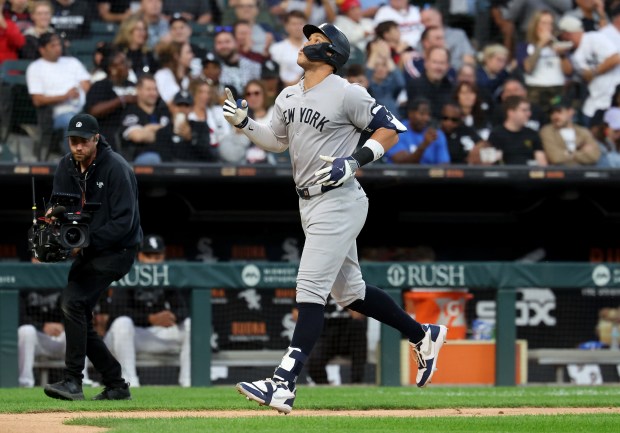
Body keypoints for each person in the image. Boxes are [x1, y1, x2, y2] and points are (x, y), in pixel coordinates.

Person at [223, 22, 447, 415]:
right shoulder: (289, 94)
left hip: (340, 199)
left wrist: (355, 160)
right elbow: (276, 140)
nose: (306, 43)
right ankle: (422, 334)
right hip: (308, 202)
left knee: (310, 287)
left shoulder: (347, 92)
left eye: (315, 40)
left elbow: (391, 129)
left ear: (331, 53)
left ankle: (283, 383)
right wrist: (245, 124)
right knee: (350, 294)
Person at [43, 113, 142, 401]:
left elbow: (124, 224)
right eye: (73, 141)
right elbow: (60, 203)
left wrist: (84, 244)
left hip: (118, 250)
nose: (78, 147)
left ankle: (73, 380)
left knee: (72, 303)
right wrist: (52, 218)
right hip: (89, 248)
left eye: (83, 141)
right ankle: (116, 384)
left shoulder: (116, 168)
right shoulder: (66, 165)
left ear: (96, 139)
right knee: (78, 313)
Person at [102, 234, 191, 387]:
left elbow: (184, 309)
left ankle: (188, 382)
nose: (153, 261)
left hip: (155, 336)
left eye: (157, 256)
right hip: (127, 337)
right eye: (149, 256)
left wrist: (173, 317)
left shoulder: (167, 275)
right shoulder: (129, 273)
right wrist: (150, 318)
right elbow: (117, 311)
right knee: (123, 323)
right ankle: (129, 382)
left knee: (189, 324)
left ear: (163, 256)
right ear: (140, 256)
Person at [383, 97, 451, 165]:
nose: (426, 118)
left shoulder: (436, 134)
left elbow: (444, 165)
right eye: (422, 114)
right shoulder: (396, 131)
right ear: (410, 113)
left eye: (428, 114)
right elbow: (401, 163)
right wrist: (424, 145)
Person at [539, 95, 601, 165]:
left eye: (559, 112)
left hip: (583, 172)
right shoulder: (547, 131)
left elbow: (594, 156)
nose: (555, 116)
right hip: (561, 173)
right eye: (552, 113)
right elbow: (555, 157)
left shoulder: (583, 131)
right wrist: (581, 152)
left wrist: (567, 154)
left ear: (570, 112)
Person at [487, 95, 548, 165]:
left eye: (529, 110)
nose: (529, 114)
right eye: (524, 110)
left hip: (529, 173)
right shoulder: (495, 134)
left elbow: (542, 162)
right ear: (511, 112)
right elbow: (489, 163)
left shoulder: (532, 134)